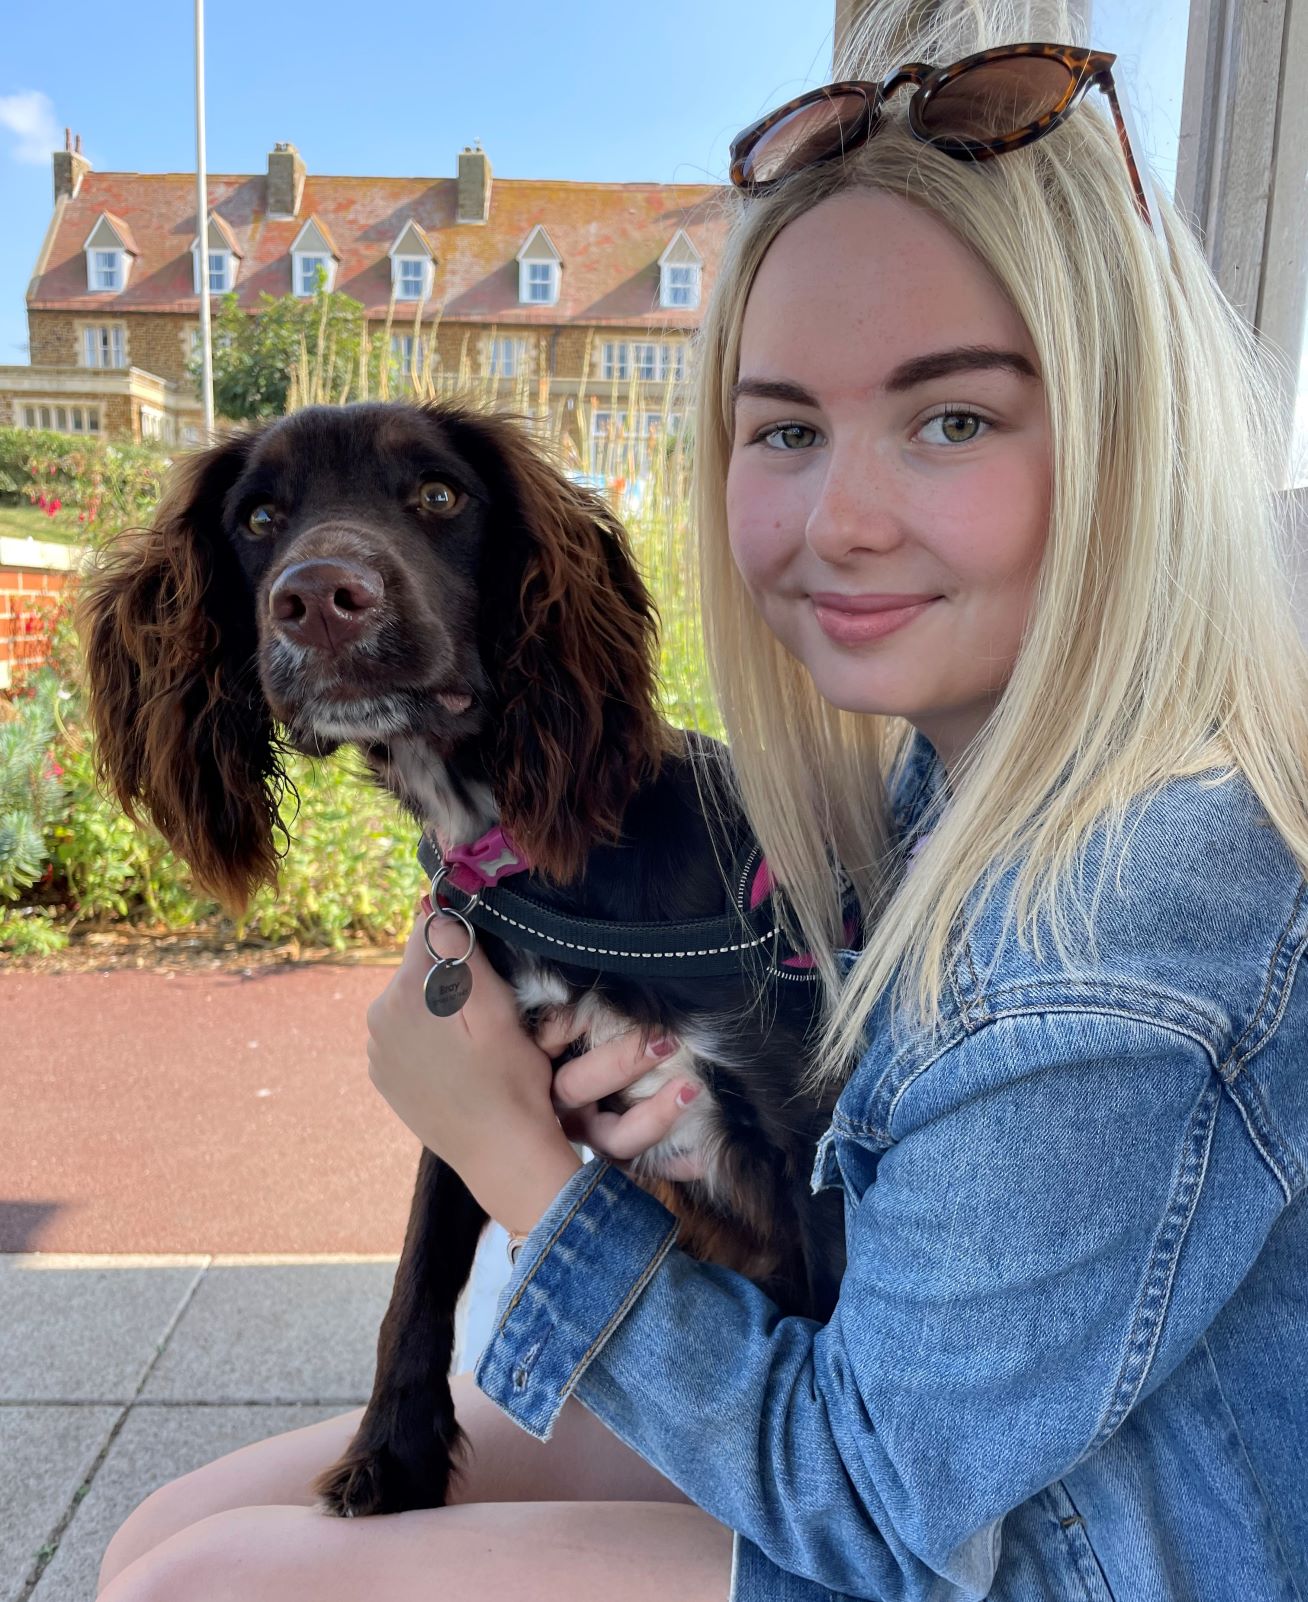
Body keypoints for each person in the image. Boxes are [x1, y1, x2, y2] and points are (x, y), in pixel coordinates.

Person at [97, 1, 1308, 1597]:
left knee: (213, 1581)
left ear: (1119, 436)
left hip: (1055, 1547)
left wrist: (519, 1158)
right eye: (786, 426)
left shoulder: (1130, 905)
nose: (845, 516)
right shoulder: (961, 775)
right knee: (165, 1527)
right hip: (943, 1437)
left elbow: (886, 1509)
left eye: (955, 417)